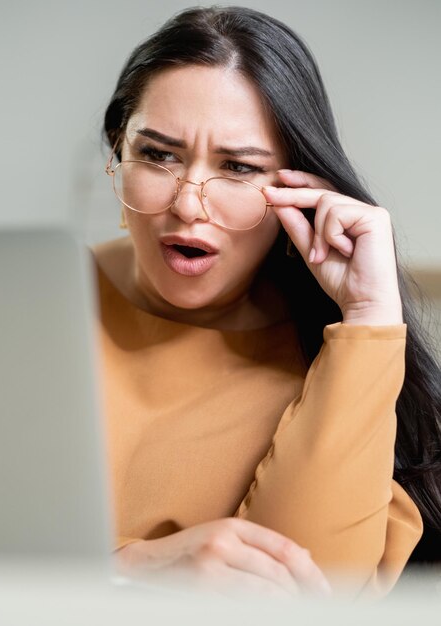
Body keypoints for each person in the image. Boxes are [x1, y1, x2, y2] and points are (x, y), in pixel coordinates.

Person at [92, 5, 441, 599]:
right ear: (117, 154)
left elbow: (310, 595)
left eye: (237, 168)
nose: (189, 206)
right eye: (158, 155)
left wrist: (369, 319)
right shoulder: (18, 305)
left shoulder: (328, 355)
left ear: (295, 189)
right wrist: (128, 567)